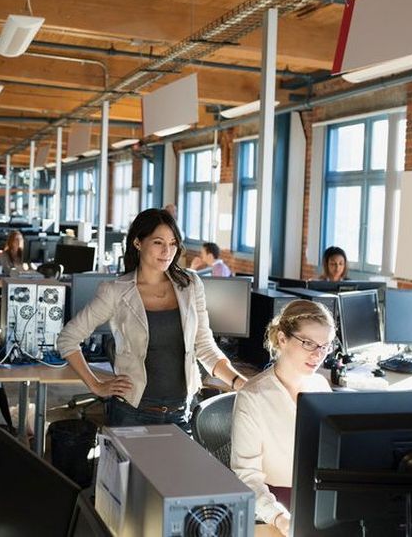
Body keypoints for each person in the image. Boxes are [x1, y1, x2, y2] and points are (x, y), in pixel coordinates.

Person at [57, 208, 247, 432]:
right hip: (132, 412)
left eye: (173, 243)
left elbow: (205, 346)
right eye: (158, 242)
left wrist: (240, 383)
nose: (167, 251)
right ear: (138, 242)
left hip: (182, 412)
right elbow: (68, 339)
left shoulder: (190, 285)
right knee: (132, 469)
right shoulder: (116, 291)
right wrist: (96, 385)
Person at [230, 300, 335, 535]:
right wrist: (279, 517)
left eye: (325, 346)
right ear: (282, 339)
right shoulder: (253, 396)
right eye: (308, 343)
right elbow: (247, 476)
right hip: (274, 508)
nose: (318, 355)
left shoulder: (320, 386)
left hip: (321, 502)